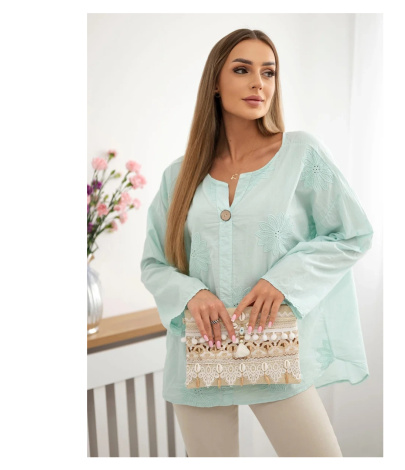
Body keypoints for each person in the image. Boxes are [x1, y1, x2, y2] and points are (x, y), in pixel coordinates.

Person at [140, 28, 374, 457]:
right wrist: (192, 293)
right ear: (215, 82)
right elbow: (154, 262)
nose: (258, 83)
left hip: (277, 348)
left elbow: (352, 234)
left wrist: (283, 280)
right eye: (242, 70)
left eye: (269, 72)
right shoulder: (179, 175)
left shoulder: (300, 154)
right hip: (199, 355)